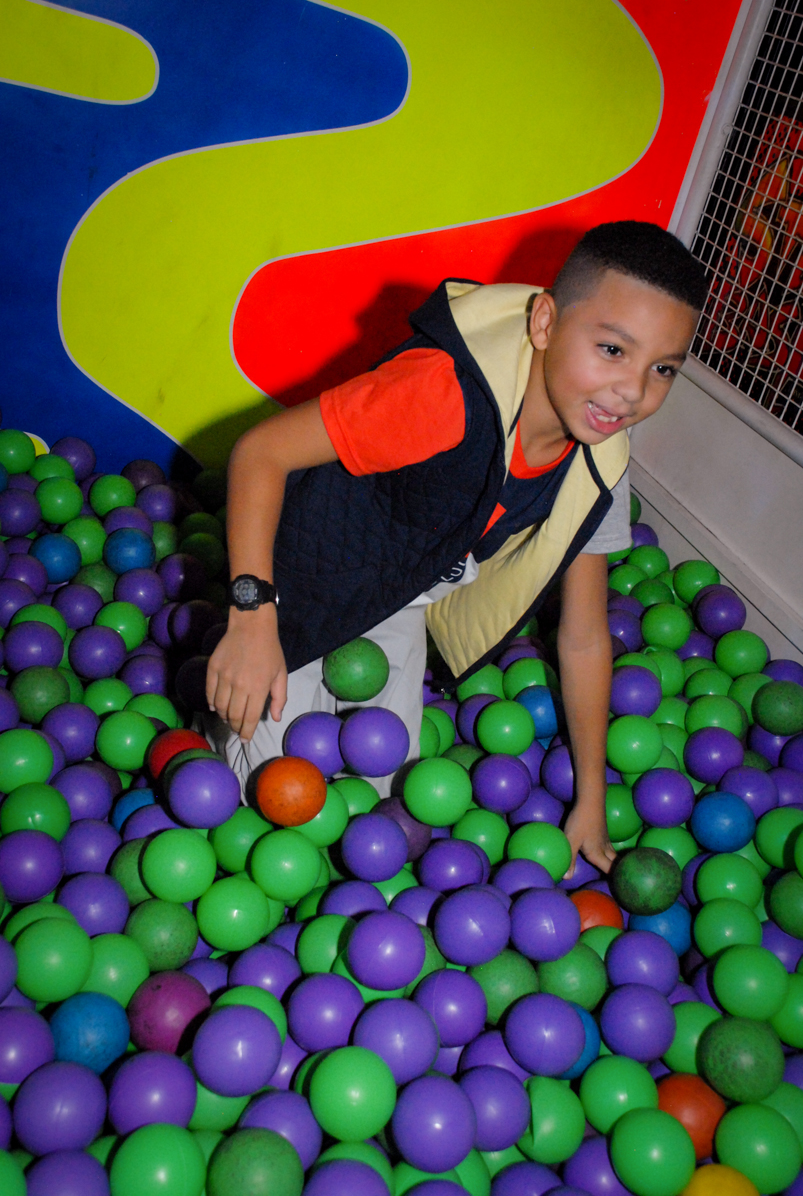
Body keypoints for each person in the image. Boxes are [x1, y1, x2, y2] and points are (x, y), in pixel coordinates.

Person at [205, 220, 707, 875]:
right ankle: (211, 720)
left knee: (389, 800)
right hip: (301, 577)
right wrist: (251, 617)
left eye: (662, 368)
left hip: (397, 599)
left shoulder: (598, 461)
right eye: (612, 350)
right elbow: (260, 453)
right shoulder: (440, 395)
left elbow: (583, 637)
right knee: (266, 804)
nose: (632, 391)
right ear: (546, 323)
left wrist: (592, 797)